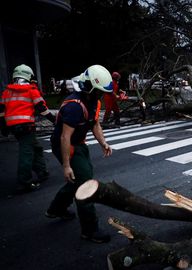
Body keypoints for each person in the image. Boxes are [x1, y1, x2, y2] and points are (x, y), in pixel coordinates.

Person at [45, 65, 113, 243]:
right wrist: (66, 166)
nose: (100, 96)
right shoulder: (74, 106)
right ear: (88, 86)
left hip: (79, 144)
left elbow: (95, 124)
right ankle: (90, 230)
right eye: (98, 92)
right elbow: (64, 137)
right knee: (85, 184)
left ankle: (56, 209)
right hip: (65, 145)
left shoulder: (94, 102)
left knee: (79, 177)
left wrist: (103, 142)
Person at [0, 64, 55, 192]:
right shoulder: (31, 90)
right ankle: (24, 182)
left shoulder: (6, 92)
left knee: (36, 147)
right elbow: (42, 109)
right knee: (27, 153)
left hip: (15, 128)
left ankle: (42, 172)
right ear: (28, 76)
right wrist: (55, 120)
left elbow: (1, 111)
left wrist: (3, 127)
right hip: (27, 127)